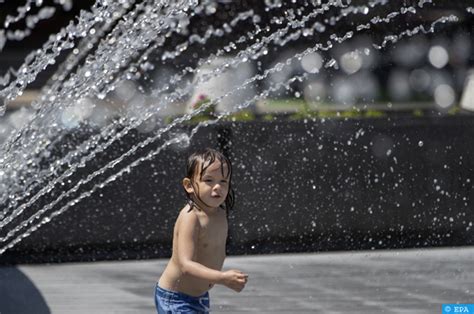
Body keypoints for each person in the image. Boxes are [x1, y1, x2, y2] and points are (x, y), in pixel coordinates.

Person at [155, 148, 248, 314]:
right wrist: (223, 278)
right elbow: (186, 264)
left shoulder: (220, 214)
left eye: (224, 181)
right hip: (176, 297)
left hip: (199, 297)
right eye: (209, 180)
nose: (217, 187)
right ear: (189, 185)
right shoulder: (191, 217)